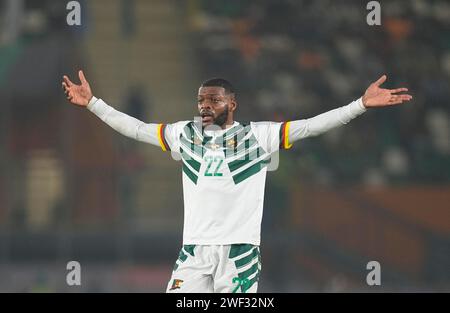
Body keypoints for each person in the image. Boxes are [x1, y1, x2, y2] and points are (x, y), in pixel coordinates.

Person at [62, 70, 412, 292]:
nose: (204, 105)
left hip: (240, 253)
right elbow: (137, 130)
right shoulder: (185, 134)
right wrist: (93, 104)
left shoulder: (258, 137)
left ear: (232, 103)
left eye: (213, 99)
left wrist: (359, 105)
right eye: (200, 99)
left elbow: (310, 125)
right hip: (194, 251)